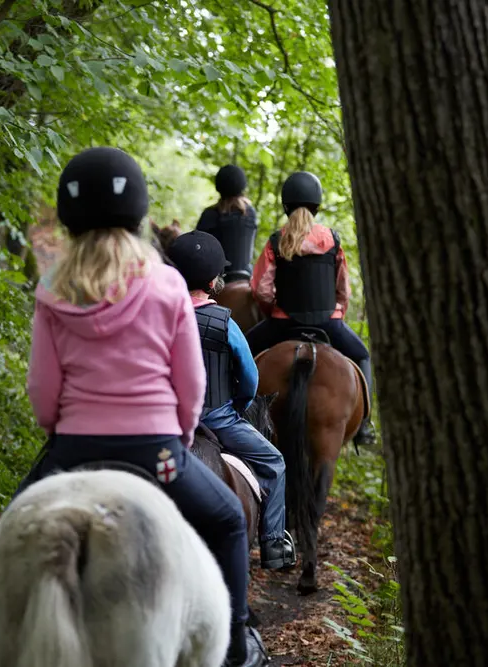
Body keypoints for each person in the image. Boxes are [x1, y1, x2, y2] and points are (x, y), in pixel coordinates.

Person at [14, 147, 267, 667]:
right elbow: (191, 386)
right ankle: (238, 646)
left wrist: (64, 432)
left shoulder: (51, 289)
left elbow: (43, 394)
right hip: (157, 453)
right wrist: (175, 436)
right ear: (138, 216)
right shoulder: (168, 283)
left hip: (72, 450)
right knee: (227, 524)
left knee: (13, 533)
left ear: (69, 215)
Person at [166, 231, 296, 571]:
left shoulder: (162, 317)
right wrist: (238, 404)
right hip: (218, 418)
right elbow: (250, 378)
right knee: (275, 463)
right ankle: (272, 545)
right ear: (213, 280)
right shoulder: (225, 323)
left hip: (167, 419)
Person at [245, 171, 377, 446]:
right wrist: (337, 310)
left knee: (242, 350)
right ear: (317, 206)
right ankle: (364, 426)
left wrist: (273, 311)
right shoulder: (333, 240)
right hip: (328, 324)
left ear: (286, 205)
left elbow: (261, 289)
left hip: (283, 323)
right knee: (363, 355)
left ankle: (236, 410)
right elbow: (343, 286)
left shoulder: (276, 241)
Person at [196, 164, 258, 282]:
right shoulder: (250, 212)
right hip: (246, 274)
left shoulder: (210, 214)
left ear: (219, 187)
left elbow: (197, 250)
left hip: (218, 279)